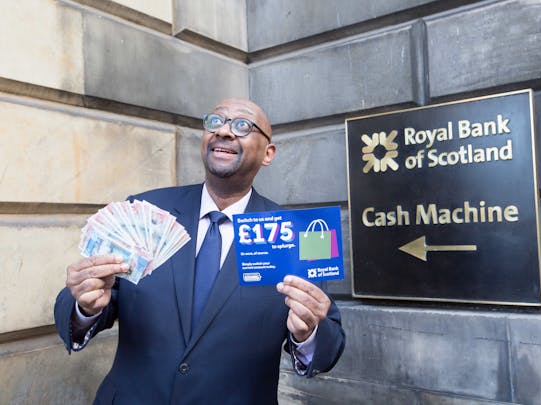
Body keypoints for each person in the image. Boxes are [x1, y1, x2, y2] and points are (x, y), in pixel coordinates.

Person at [54, 98, 345, 404]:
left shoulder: (302, 234)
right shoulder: (144, 211)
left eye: (242, 125)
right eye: (215, 121)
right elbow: (87, 303)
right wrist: (84, 307)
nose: (224, 131)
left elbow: (329, 345)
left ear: (268, 153)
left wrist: (308, 333)